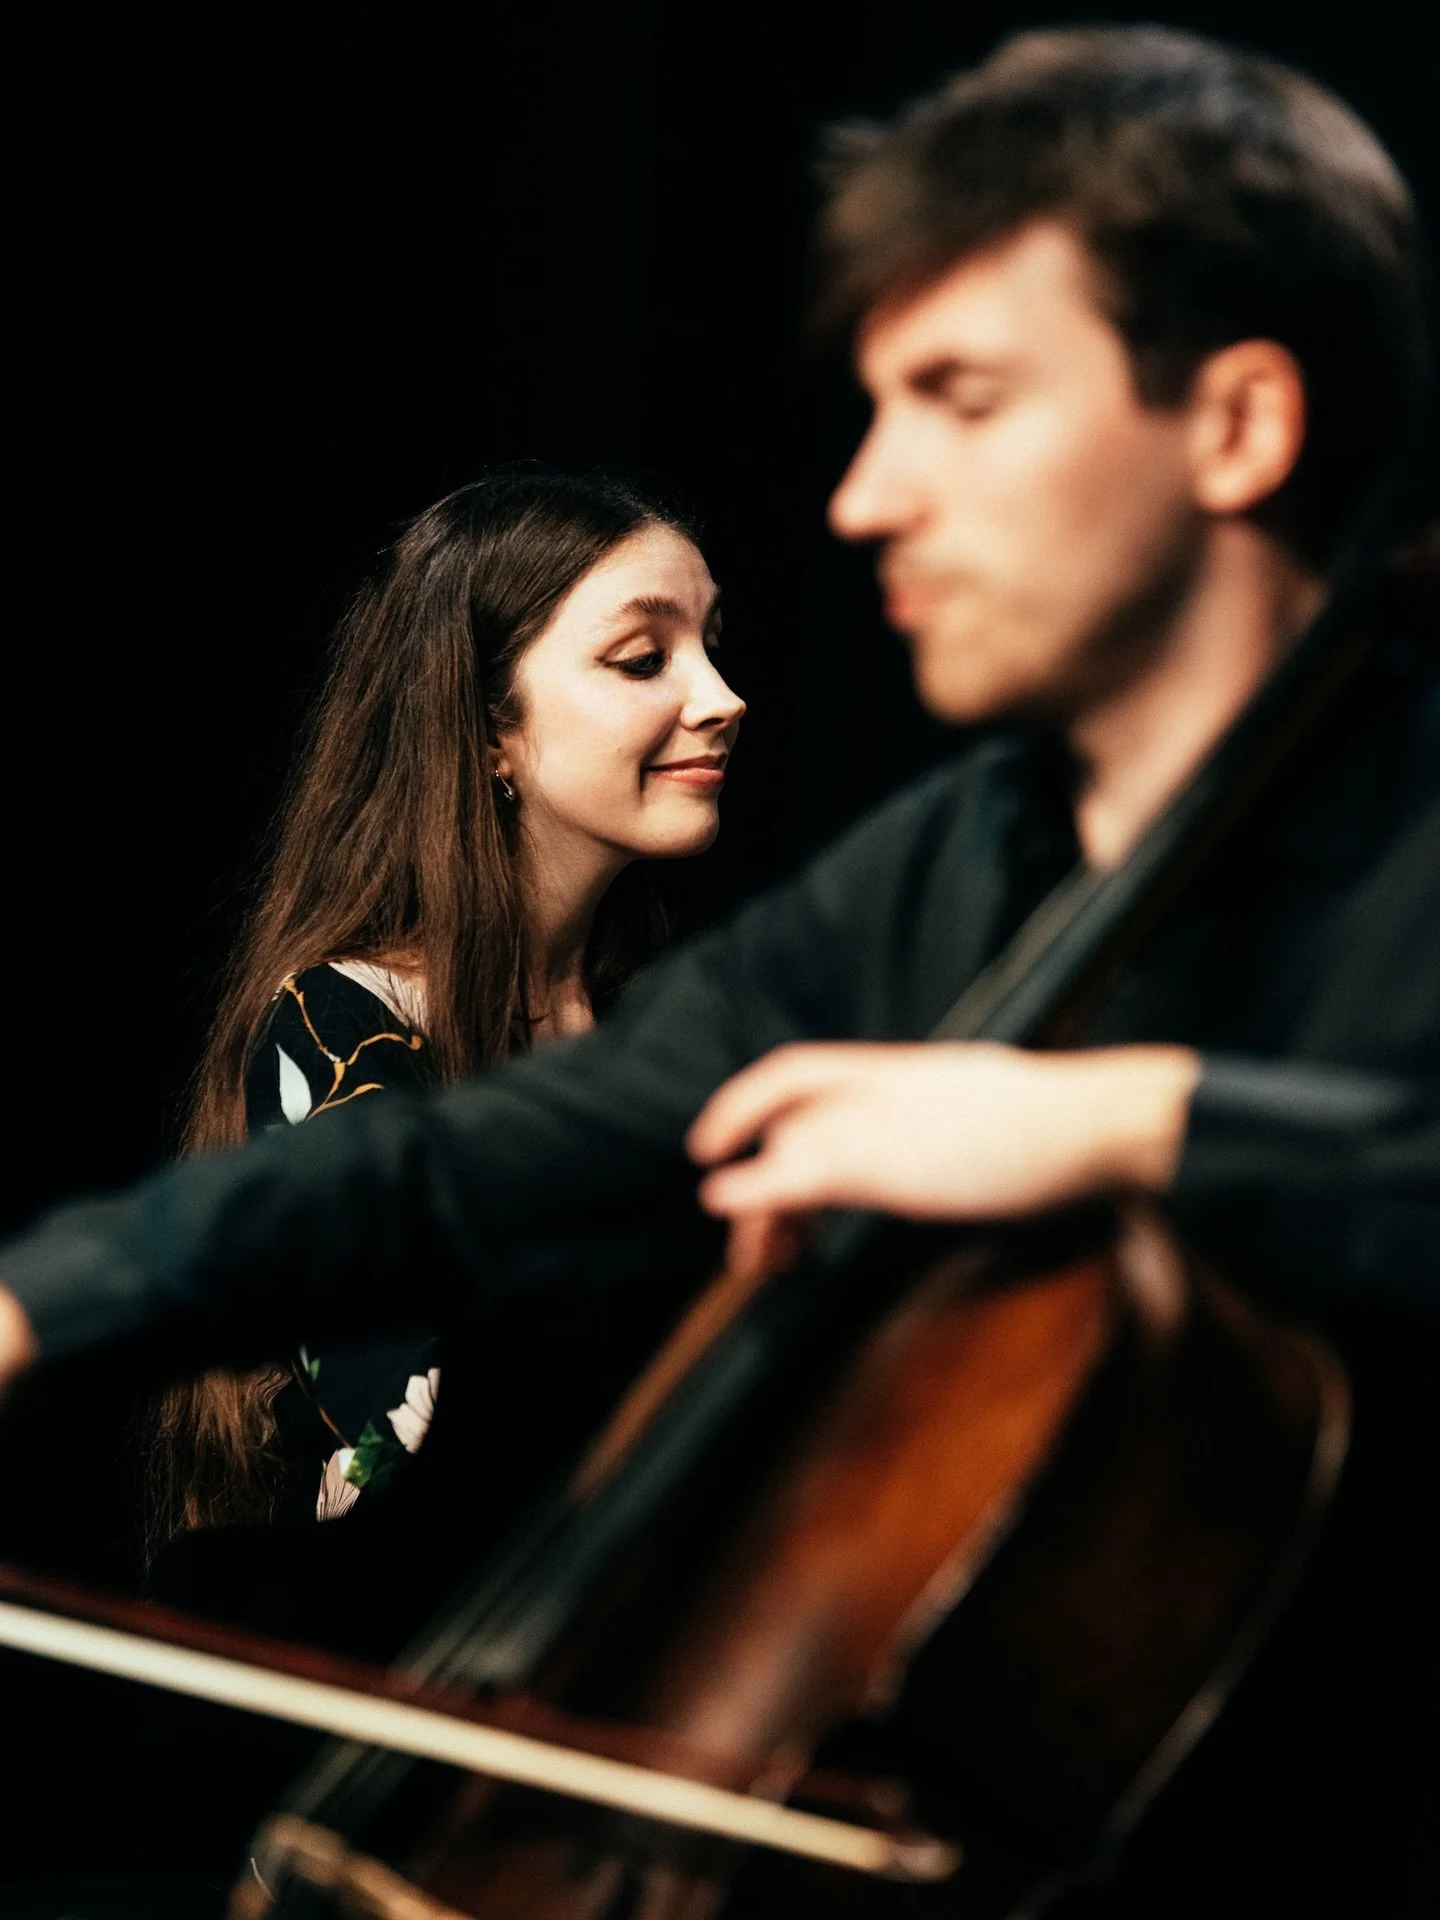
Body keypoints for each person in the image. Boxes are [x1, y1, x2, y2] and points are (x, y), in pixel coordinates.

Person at [0, 26, 1436, 1914]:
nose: (866, 497)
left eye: (962, 396)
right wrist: (40, 1300)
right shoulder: (947, 865)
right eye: (872, 404)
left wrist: (1135, 1122)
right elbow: (477, 1156)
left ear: (1237, 425)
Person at [146, 467, 744, 1550]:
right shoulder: (339, 1028)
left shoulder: (658, 1016)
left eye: (711, 645)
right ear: (488, 730)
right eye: (644, 659)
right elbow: (409, 1437)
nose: (721, 697)